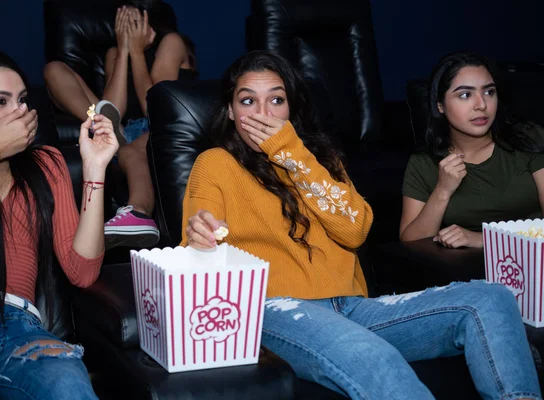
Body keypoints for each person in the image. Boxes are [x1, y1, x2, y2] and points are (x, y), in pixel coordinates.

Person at [181, 51, 540, 400]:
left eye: (276, 100)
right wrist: (201, 238)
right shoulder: (215, 164)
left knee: (491, 298)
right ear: (230, 111)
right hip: (274, 311)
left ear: (290, 110)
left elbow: (355, 230)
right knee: (374, 355)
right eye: (248, 102)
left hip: (352, 308)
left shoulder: (319, 161)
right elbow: (194, 250)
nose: (263, 114)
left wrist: (290, 153)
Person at [0, 48, 119, 399]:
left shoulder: (46, 163)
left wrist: (95, 168)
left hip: (22, 328)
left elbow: (81, 271)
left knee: (68, 386)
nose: (18, 112)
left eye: (22, 100)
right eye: (0, 101)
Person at [44, 0, 196, 250]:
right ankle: (104, 129)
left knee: (128, 150)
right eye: (122, 22)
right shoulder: (114, 52)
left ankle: (138, 213)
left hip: (161, 125)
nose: (127, 27)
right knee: (54, 69)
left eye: (133, 22)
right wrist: (123, 51)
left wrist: (136, 52)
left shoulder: (172, 43)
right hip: (123, 129)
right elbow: (114, 107)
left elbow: (155, 106)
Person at [400, 51, 544, 248]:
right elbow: (411, 242)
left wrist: (482, 239)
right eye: (465, 95)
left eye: (489, 92)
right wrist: (442, 191)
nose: (482, 105)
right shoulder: (423, 163)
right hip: (469, 272)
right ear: (440, 105)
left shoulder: (528, 139)